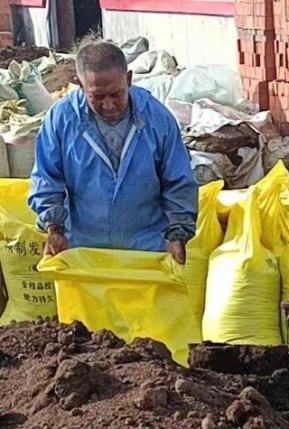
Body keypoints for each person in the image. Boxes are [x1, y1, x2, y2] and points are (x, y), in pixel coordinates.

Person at [29, 41, 197, 264]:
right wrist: (55, 228)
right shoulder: (61, 119)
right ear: (80, 85)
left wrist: (178, 233)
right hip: (84, 250)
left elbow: (178, 179)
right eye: (97, 97)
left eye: (116, 94)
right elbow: (47, 177)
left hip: (146, 249)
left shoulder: (157, 117)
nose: (108, 105)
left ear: (128, 79)